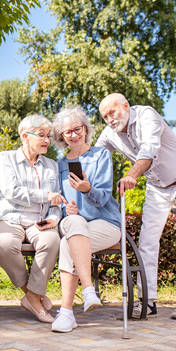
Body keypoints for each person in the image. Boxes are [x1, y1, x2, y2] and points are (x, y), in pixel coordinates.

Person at [96, 93, 176, 320]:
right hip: (157, 186)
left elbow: (149, 150)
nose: (109, 119)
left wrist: (131, 175)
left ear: (125, 106)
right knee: (146, 241)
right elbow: (95, 158)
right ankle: (148, 301)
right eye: (104, 117)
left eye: (112, 113)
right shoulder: (109, 134)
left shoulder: (147, 116)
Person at [0, 114, 65, 323]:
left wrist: (54, 218)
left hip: (38, 220)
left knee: (51, 241)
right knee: (5, 243)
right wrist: (45, 196)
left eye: (48, 136)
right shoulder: (6, 158)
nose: (46, 140)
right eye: (41, 135)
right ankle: (34, 296)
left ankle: (31, 297)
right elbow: (11, 191)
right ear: (25, 136)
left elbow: (57, 197)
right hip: (8, 218)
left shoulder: (51, 165)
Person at [50, 107, 121, 332]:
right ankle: (89, 291)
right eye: (67, 131)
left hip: (105, 223)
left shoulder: (101, 155)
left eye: (77, 129)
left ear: (85, 129)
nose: (73, 134)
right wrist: (66, 209)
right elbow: (60, 201)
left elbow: (102, 199)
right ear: (61, 136)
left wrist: (87, 189)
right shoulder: (60, 165)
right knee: (72, 223)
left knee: (66, 243)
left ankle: (67, 313)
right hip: (75, 225)